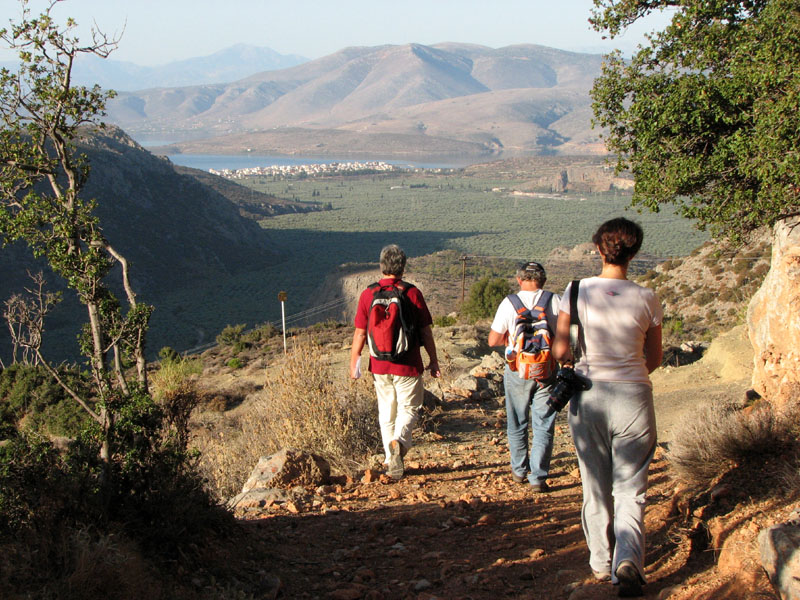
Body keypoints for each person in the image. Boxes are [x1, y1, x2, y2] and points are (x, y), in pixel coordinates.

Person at [552, 218, 663, 598]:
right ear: (634, 252)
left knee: (594, 485)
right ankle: (628, 560)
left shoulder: (575, 290)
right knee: (631, 488)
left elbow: (561, 350)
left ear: (600, 248)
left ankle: (601, 563)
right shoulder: (648, 297)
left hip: (588, 395)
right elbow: (655, 357)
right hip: (634, 396)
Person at [349, 244, 440, 480]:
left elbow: (360, 332)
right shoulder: (411, 293)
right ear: (403, 266)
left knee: (386, 410)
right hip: (408, 364)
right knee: (409, 408)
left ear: (381, 266)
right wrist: (434, 360)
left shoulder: (368, 294)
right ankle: (399, 442)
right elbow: (426, 332)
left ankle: (390, 460)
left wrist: (354, 362)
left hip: (379, 364)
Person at [488, 261, 560, 492]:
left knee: (517, 420)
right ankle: (538, 477)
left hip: (517, 369)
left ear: (519, 280)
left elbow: (493, 341)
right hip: (547, 371)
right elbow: (562, 337)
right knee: (544, 423)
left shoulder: (509, 303)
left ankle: (519, 471)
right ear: (543, 280)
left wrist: (512, 339)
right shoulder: (554, 301)